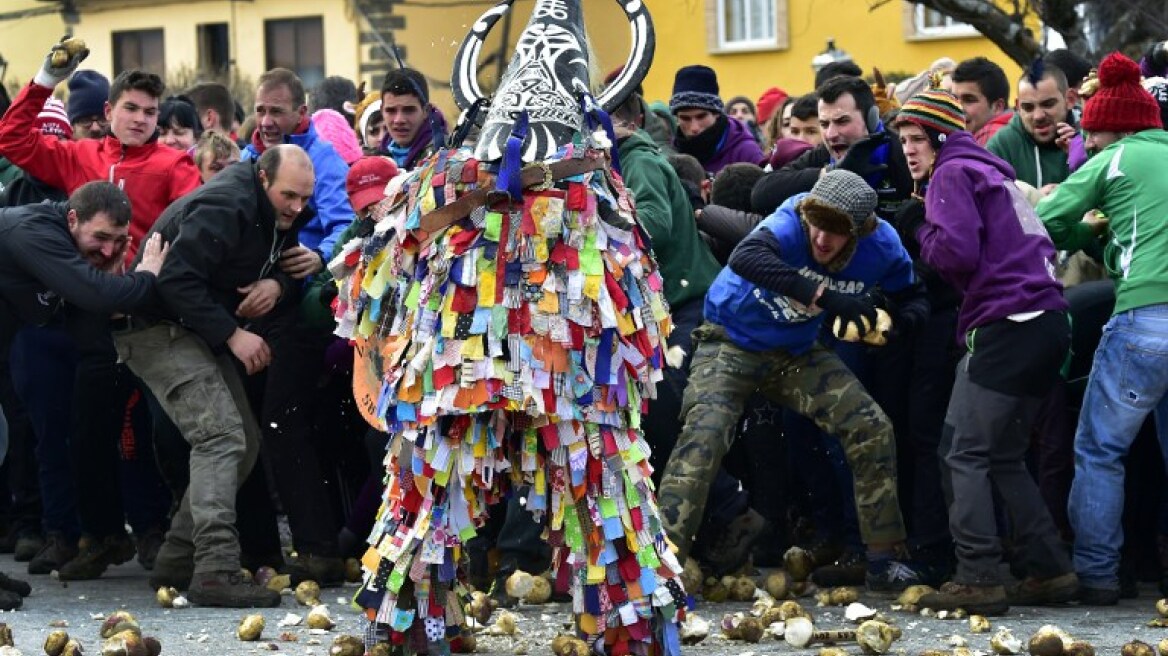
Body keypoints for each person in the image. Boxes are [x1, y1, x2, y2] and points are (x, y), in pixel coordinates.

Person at [656, 169, 928, 592]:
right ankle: (663, 562)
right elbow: (748, 257)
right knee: (705, 433)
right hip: (730, 340)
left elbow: (914, 296)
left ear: (860, 232)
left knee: (870, 426)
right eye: (816, 226)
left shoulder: (883, 245)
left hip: (796, 354)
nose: (821, 240)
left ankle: (884, 557)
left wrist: (898, 324)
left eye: (836, 233)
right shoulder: (790, 217)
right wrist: (826, 296)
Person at [0, 42, 201, 577]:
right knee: (71, 429)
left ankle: (153, 530)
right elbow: (13, 139)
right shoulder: (80, 156)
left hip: (142, 315)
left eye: (150, 112)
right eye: (130, 108)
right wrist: (45, 78)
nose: (139, 120)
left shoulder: (174, 162)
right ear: (109, 111)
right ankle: (84, 534)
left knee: (136, 434)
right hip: (77, 313)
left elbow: (195, 222)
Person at [891, 87, 1074, 615]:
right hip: (1047, 321)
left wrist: (919, 227)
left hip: (1009, 322)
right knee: (1003, 456)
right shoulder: (990, 170)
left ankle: (978, 574)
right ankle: (1049, 569)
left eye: (916, 138)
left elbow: (955, 252)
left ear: (941, 137)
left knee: (961, 450)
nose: (908, 149)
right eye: (902, 140)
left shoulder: (951, 172)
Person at [114, 145, 315, 607]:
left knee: (242, 441)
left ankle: (178, 560)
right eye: (289, 196)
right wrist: (234, 336)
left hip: (194, 328)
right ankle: (215, 568)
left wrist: (278, 284)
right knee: (221, 437)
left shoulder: (282, 205)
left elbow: (283, 264)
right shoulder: (227, 204)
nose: (298, 208)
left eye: (305, 198)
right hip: (155, 328)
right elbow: (174, 281)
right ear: (262, 179)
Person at [1036, 52, 1168, 606]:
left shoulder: (1114, 158)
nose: (1086, 143)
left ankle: (1096, 573)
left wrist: (1078, 228)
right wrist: (1103, 237)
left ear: (1111, 125)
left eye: (1090, 130)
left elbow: (1046, 217)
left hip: (1142, 319)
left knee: (1099, 449)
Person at [0, 181, 168, 608]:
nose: (110, 251)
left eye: (119, 241)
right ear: (72, 218)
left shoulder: (70, 247)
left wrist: (114, 286)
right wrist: (145, 276)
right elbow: (96, 294)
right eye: (100, 238)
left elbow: (92, 314)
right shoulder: (33, 231)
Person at [239, 68, 355, 584]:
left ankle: (319, 549)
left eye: (277, 111)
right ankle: (262, 551)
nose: (266, 121)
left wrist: (319, 257)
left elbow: (345, 230)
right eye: (260, 110)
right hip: (251, 316)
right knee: (254, 431)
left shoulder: (321, 161)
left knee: (286, 425)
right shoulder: (249, 164)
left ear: (300, 114)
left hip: (308, 315)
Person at [752, 75, 912, 221]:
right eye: (824, 124)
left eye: (842, 121)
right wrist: (829, 174)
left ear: (871, 118)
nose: (831, 134)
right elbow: (760, 193)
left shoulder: (904, 155)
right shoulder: (823, 154)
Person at [986, 65, 1074, 188]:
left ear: (1070, 100)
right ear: (1018, 107)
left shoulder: (1091, 139)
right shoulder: (1002, 145)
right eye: (1028, 108)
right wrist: (1031, 199)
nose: (1038, 116)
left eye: (1048, 104)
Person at [669, 65, 764, 173]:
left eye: (701, 117)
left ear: (717, 113)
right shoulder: (671, 152)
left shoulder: (747, 152)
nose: (694, 127)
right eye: (685, 118)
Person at [378, 67, 448, 171]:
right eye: (391, 111)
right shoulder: (374, 158)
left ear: (426, 111)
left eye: (408, 110)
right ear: (382, 110)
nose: (399, 120)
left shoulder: (446, 157)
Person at [951, 57, 1013, 145]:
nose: (957, 108)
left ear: (997, 107)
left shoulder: (991, 138)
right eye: (953, 99)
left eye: (969, 100)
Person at [66, 71, 110, 141]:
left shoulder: (129, 148)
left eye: (103, 119)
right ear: (72, 126)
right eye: (85, 120)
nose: (95, 128)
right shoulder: (61, 151)